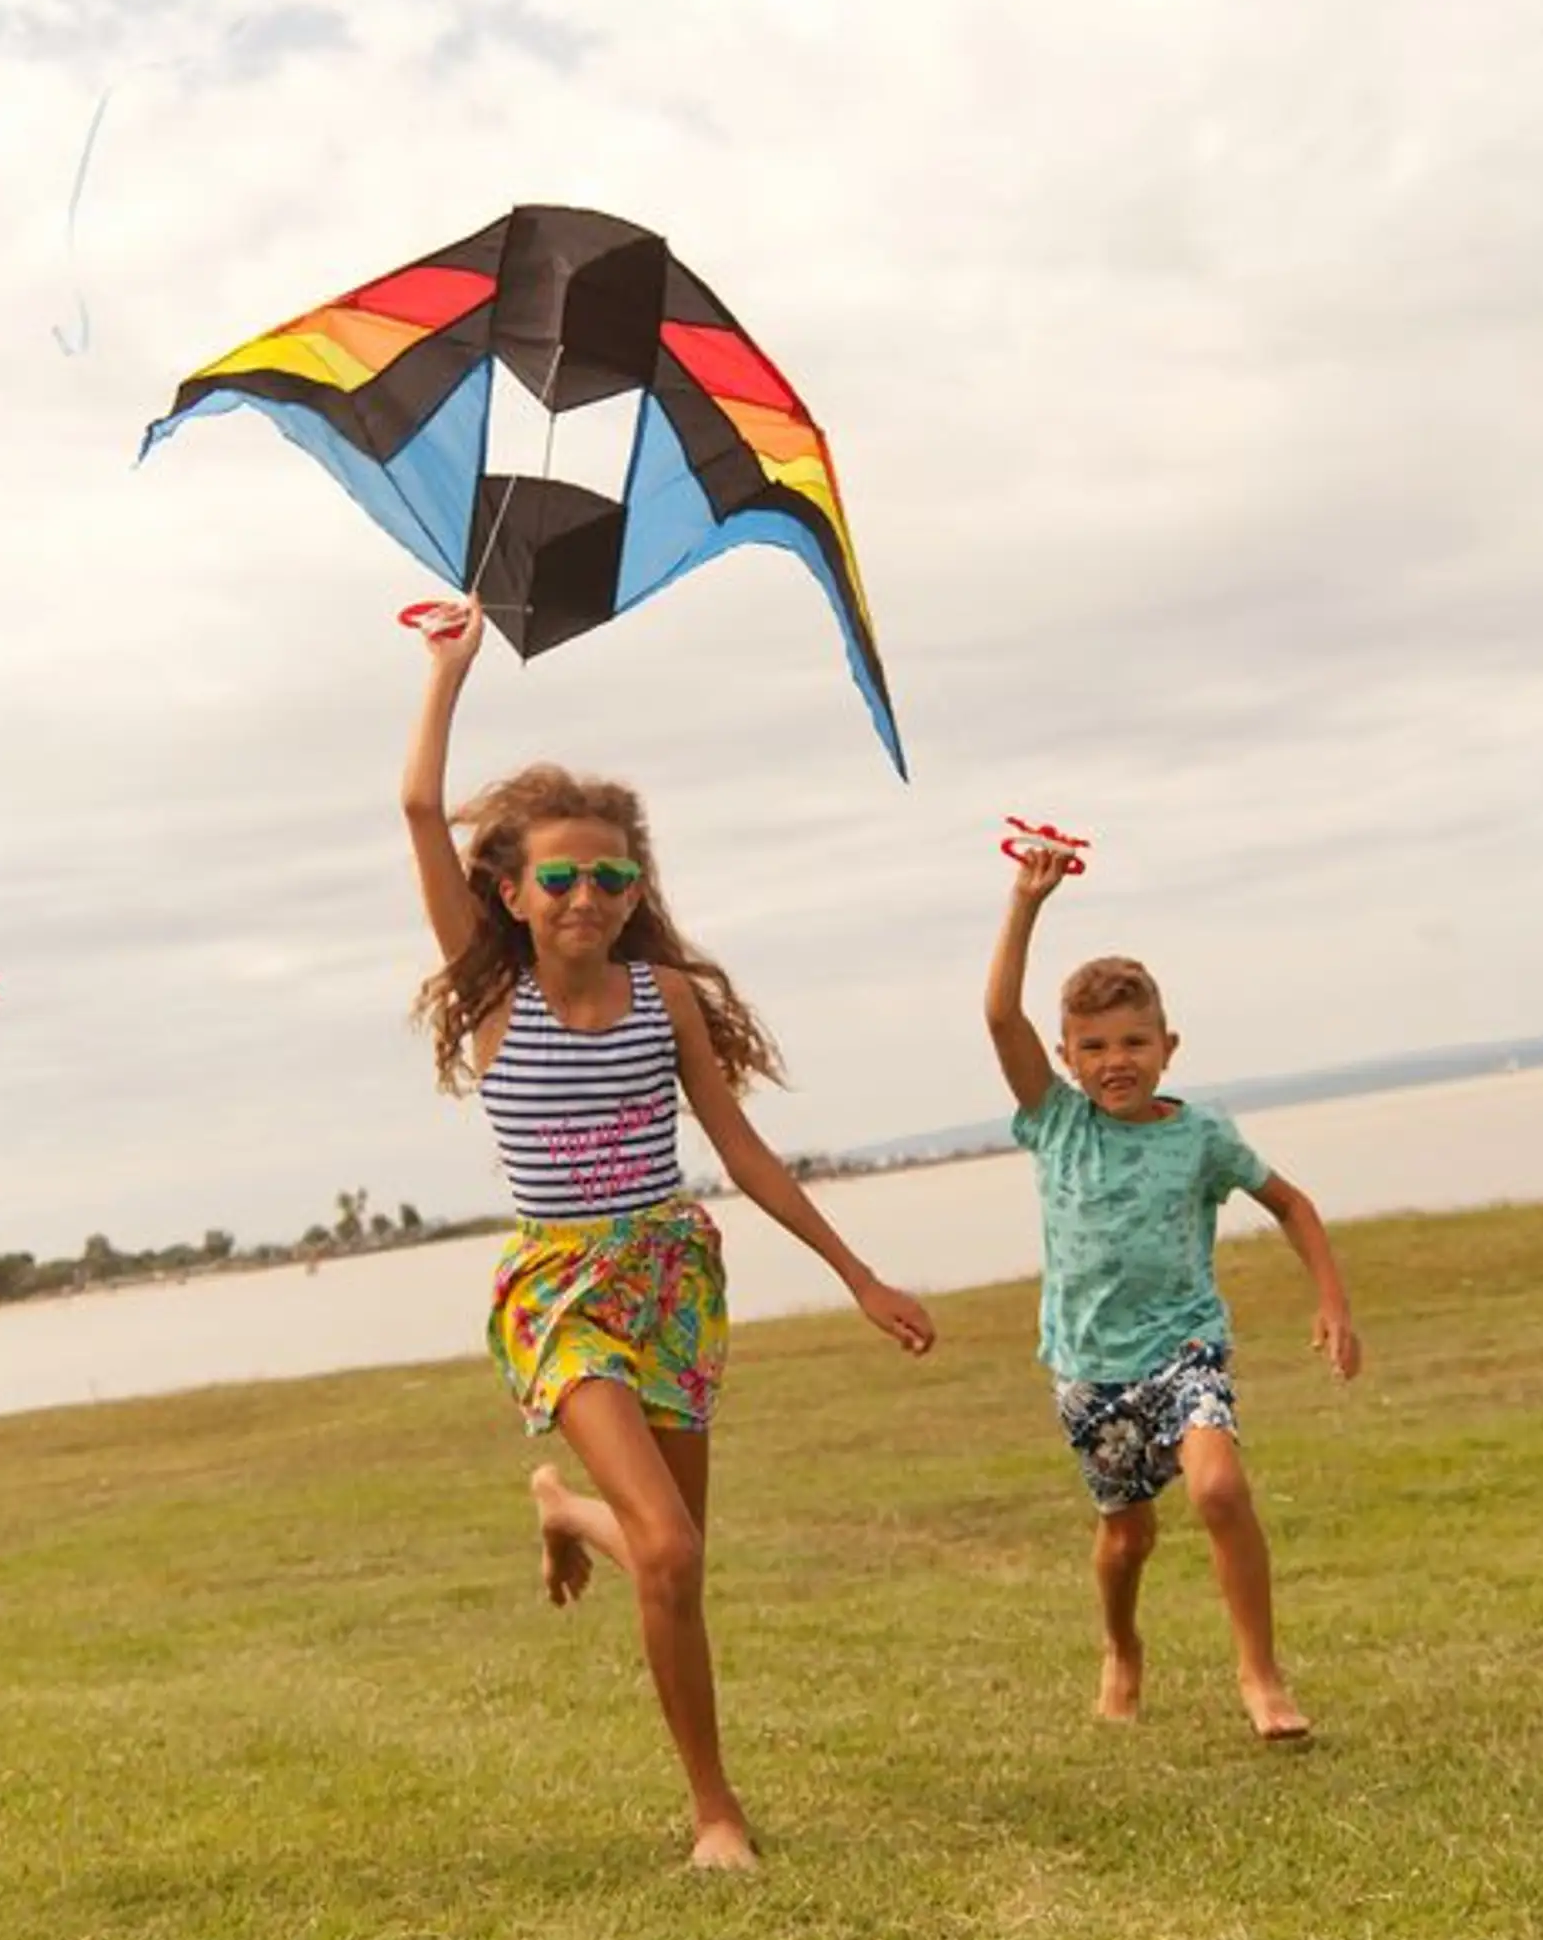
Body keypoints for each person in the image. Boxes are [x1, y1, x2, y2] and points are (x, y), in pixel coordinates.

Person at [401, 601, 936, 1869]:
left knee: (677, 1557)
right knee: (673, 1542)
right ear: (513, 890)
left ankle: (563, 1511)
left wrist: (857, 1275)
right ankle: (714, 1812)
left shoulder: (668, 999)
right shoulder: (495, 993)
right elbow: (423, 813)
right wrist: (447, 671)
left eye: (614, 875)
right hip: (562, 1287)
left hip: (671, 1276)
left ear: (638, 888)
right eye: (563, 877)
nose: (589, 895)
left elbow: (741, 1151)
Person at [986, 838, 1361, 1740]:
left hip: (1184, 1345)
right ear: (1070, 1058)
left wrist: (1333, 1303)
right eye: (1095, 1047)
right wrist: (1026, 904)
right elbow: (1001, 1016)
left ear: (1168, 1046)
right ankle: (1121, 1647)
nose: (1117, 1061)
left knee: (1220, 1490)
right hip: (1088, 1365)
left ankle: (1261, 1677)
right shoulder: (1055, 1122)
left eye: (1135, 1042)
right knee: (1128, 1537)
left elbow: (1293, 1205)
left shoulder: (1201, 1137)